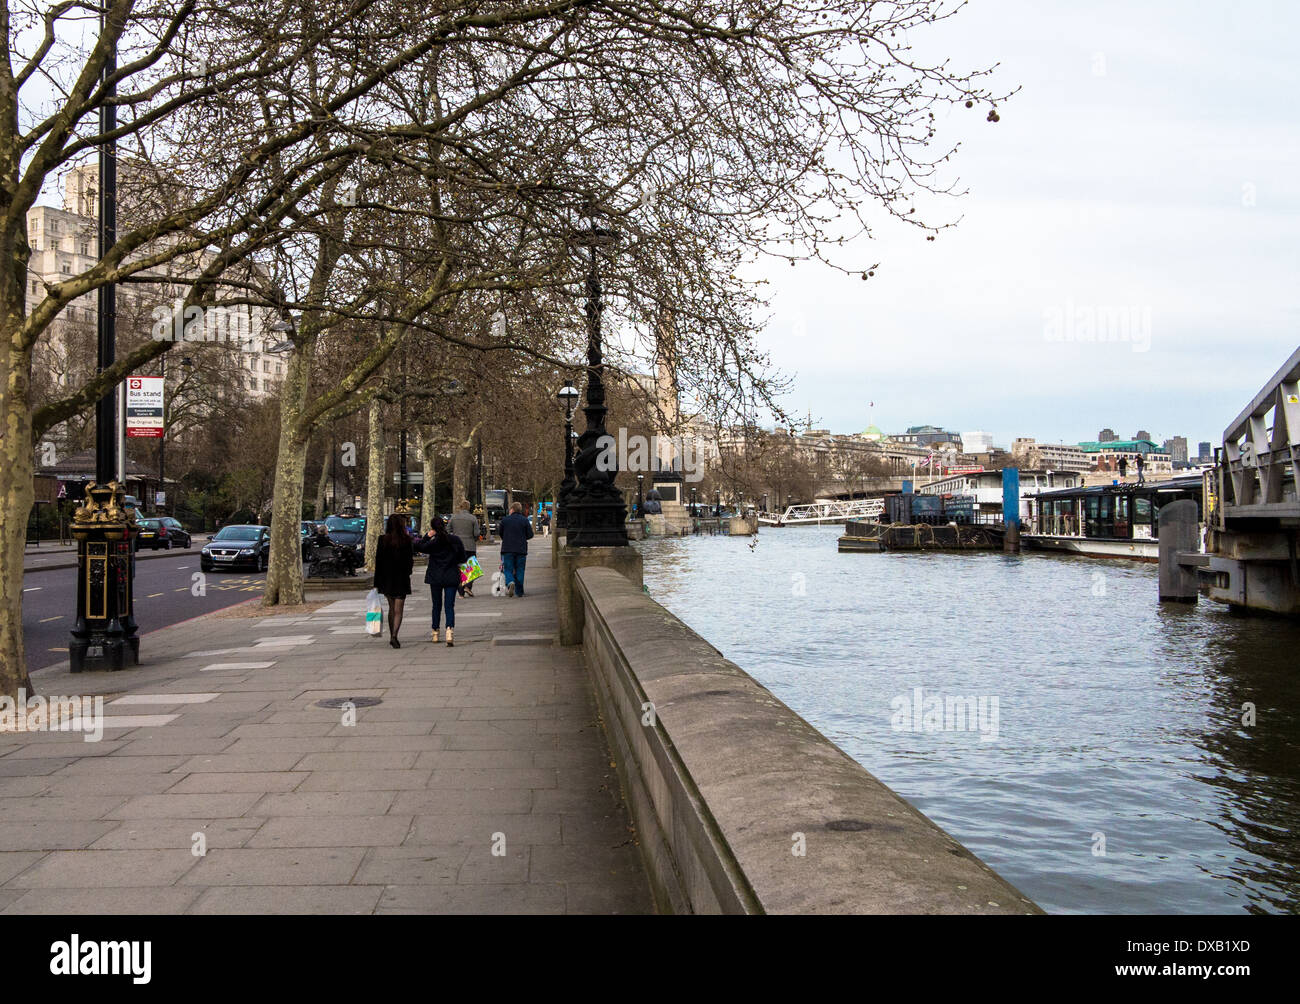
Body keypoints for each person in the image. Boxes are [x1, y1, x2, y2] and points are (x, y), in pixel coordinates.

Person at [414, 515, 467, 645]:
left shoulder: (433, 542)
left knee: (436, 605)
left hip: (436, 576)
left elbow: (418, 546)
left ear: (433, 528)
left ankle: (435, 632)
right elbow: (463, 558)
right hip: (451, 575)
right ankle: (449, 630)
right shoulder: (455, 540)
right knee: (449, 605)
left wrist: (427, 535)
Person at [372, 513, 414, 649]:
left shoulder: (382, 539)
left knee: (391, 607)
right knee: (398, 609)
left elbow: (378, 561)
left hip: (386, 577)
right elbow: (409, 560)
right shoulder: (407, 540)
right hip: (401, 577)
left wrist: (377, 582)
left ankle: (392, 635)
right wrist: (408, 572)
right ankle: (395, 635)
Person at [498, 501, 534, 597]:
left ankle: (510, 582)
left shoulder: (505, 520)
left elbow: (500, 533)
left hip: (508, 549)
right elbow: (530, 535)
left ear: (512, 509)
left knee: (508, 568)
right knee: (520, 570)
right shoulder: (525, 520)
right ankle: (519, 591)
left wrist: (506, 538)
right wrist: (522, 537)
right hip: (521, 549)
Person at [447, 499, 481, 598]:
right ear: (469, 507)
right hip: (470, 545)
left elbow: (448, 530)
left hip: (456, 546)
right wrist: (474, 539)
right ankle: (468, 586)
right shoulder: (473, 518)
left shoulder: (454, 517)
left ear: (460, 507)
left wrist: (453, 539)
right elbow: (476, 533)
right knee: (471, 567)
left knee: (458, 569)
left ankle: (461, 593)